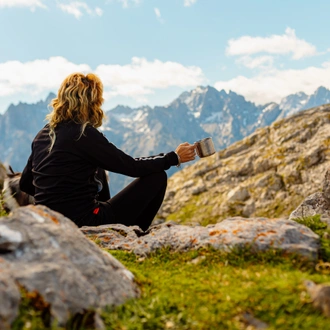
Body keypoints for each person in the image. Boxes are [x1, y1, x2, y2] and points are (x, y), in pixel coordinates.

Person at [19, 72, 196, 231]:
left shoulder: (42, 135)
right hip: (85, 221)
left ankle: (112, 221)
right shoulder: (83, 134)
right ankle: (133, 233)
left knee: (98, 167)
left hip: (49, 222)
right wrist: (174, 157)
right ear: (91, 104)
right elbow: (131, 166)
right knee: (157, 177)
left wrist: (56, 201)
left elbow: (25, 183)